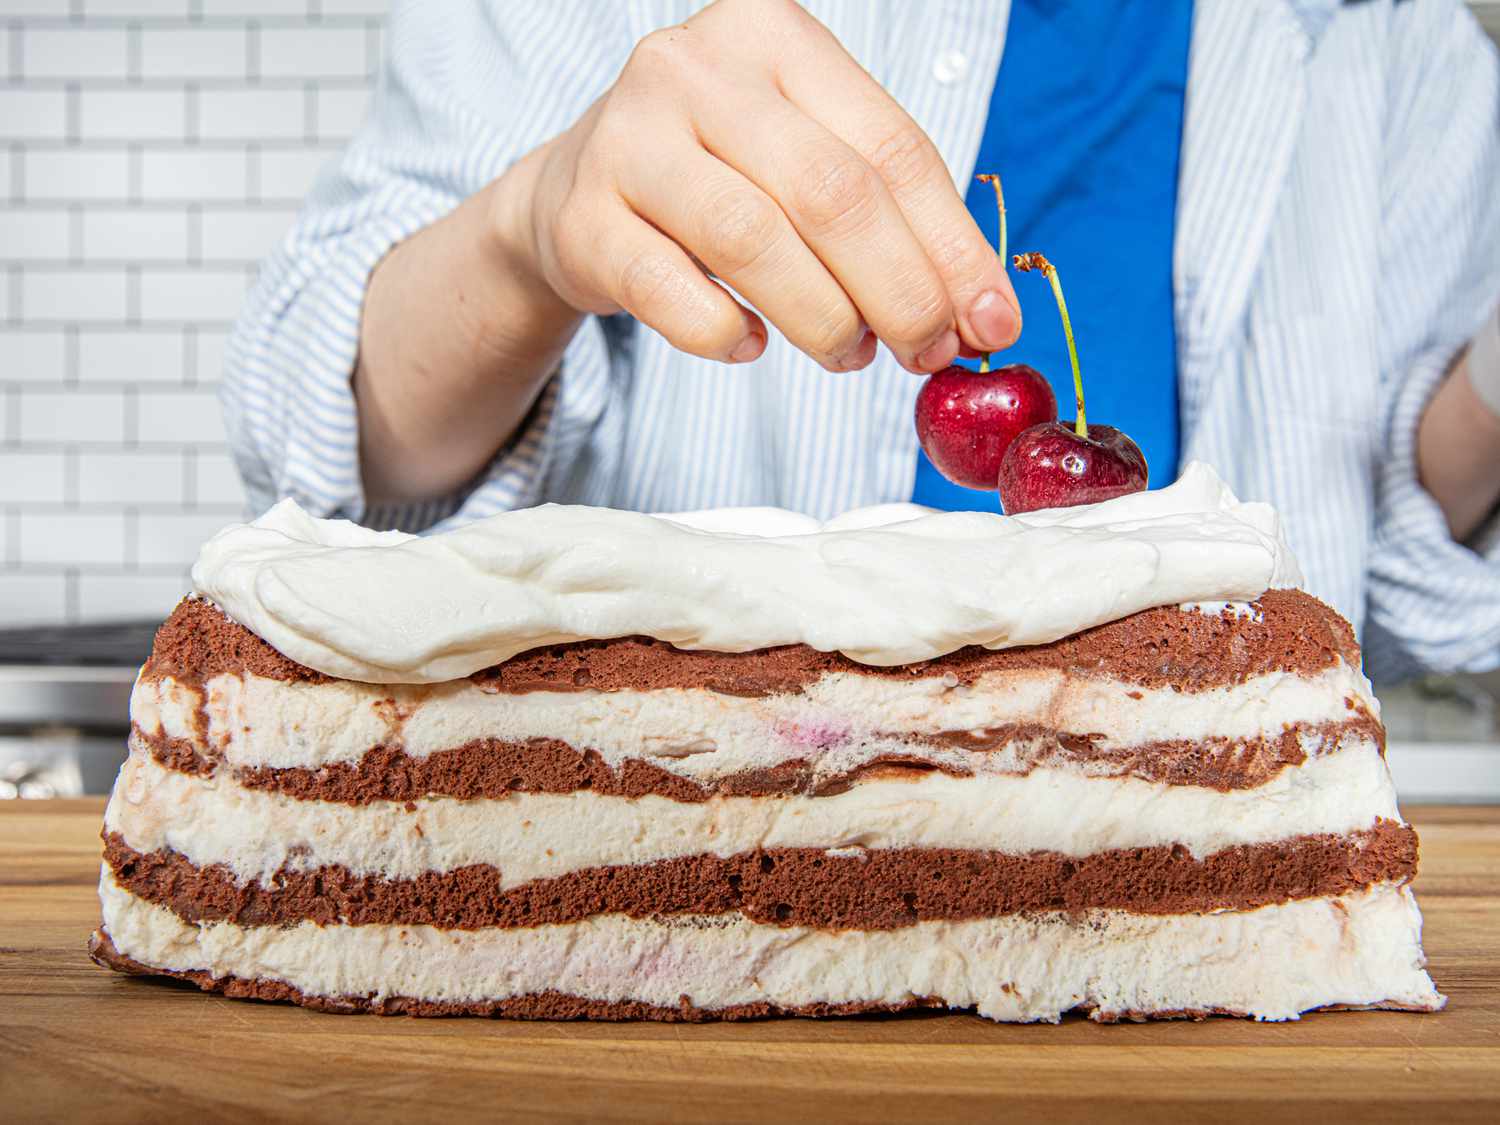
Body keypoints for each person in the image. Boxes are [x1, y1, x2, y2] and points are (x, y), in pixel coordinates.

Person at [222, 0, 1500, 681]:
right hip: (688, 863)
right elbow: (322, 429)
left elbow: (1390, 561)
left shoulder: (1405, 41)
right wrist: (527, 234)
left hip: (1196, 901)